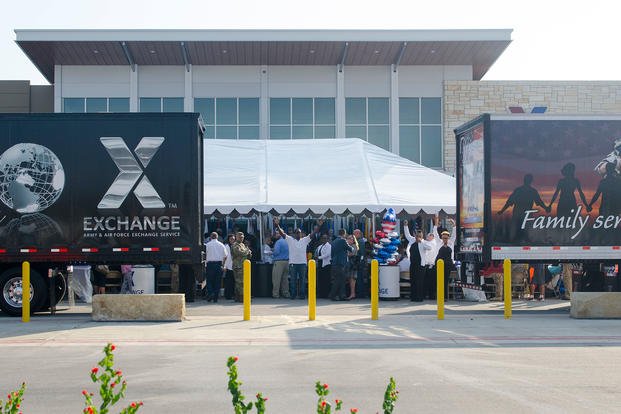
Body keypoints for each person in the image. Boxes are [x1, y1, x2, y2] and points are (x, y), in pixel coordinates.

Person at [274, 217, 322, 300]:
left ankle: (302, 295)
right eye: (296, 233)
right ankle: (293, 295)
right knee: (293, 281)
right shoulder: (290, 240)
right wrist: (277, 225)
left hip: (302, 264)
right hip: (293, 263)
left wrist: (319, 226)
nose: (298, 234)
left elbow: (314, 233)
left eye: (299, 233)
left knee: (302, 281)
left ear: (301, 233)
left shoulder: (305, 240)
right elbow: (282, 233)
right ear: (294, 234)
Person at [497, 174, 550, 241]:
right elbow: (539, 202)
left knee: (521, 231)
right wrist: (546, 208)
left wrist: (502, 210)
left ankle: (520, 240)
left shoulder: (520, 190)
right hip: (523, 214)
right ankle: (520, 240)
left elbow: (509, 202)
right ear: (530, 181)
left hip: (521, 214)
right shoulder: (531, 191)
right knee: (522, 230)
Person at [404, 221, 432, 302]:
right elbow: (407, 235)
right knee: (413, 281)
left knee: (420, 282)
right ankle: (413, 297)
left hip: (421, 266)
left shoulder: (424, 242)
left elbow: (429, 248)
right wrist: (405, 226)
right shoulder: (412, 240)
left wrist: (422, 242)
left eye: (420, 236)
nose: (418, 237)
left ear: (422, 236)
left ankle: (419, 297)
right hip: (413, 265)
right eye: (417, 235)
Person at [329, 229, 355, 301]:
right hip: (341, 264)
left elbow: (332, 253)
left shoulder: (333, 241)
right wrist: (353, 247)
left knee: (339, 280)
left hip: (335, 263)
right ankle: (334, 295)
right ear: (344, 233)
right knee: (340, 280)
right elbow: (350, 249)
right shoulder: (343, 241)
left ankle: (340, 295)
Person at [204, 231, 227, 302]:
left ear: (210, 237)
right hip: (219, 264)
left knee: (209, 280)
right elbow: (225, 256)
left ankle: (211, 293)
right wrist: (223, 265)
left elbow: (204, 255)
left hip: (210, 264)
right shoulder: (221, 245)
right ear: (217, 237)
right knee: (217, 281)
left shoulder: (207, 245)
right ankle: (215, 297)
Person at [231, 232, 252, 302]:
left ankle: (238, 297)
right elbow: (239, 253)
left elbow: (248, 254)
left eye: (242, 237)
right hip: (238, 266)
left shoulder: (242, 245)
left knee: (242, 282)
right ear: (236, 237)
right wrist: (247, 251)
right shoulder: (235, 245)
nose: (241, 238)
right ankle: (241, 297)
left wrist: (248, 252)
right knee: (240, 282)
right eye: (240, 237)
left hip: (243, 265)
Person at [434, 230, 455, 299]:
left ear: (448, 238)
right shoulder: (439, 242)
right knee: (439, 281)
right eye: (443, 238)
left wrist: (454, 226)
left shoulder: (451, 243)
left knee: (445, 281)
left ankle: (445, 297)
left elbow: (454, 235)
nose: (444, 239)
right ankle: (438, 296)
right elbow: (435, 234)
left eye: (446, 238)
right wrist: (435, 225)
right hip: (439, 264)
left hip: (448, 264)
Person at [271, 231, 290, 299]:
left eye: (277, 233)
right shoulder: (288, 241)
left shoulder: (278, 242)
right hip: (287, 262)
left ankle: (276, 294)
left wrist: (271, 252)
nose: (276, 235)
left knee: (276, 279)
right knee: (285, 280)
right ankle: (286, 293)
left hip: (279, 262)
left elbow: (276, 252)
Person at [315, 234, 332, 299]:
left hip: (326, 265)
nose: (324, 239)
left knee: (326, 280)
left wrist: (318, 257)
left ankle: (326, 294)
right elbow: (317, 253)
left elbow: (327, 254)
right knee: (320, 280)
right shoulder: (320, 246)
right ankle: (321, 294)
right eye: (323, 238)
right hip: (320, 265)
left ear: (327, 239)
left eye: (325, 238)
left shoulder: (329, 246)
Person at [353, 229, 368, 298]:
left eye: (354, 234)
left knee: (360, 278)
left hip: (360, 262)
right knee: (359, 278)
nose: (354, 236)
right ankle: (361, 292)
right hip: (360, 261)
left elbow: (361, 253)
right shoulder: (359, 241)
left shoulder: (360, 242)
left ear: (358, 234)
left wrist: (360, 262)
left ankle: (361, 293)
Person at [345, 234, 360, 300]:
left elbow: (351, 254)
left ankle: (352, 294)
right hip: (350, 265)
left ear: (354, 240)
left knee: (352, 280)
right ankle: (351, 294)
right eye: (348, 238)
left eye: (350, 238)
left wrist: (345, 253)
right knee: (350, 279)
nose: (348, 240)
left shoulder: (354, 246)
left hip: (353, 265)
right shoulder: (349, 246)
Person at [223, 234, 235, 300]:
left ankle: (232, 294)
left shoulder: (235, 246)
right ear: (228, 240)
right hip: (228, 267)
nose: (232, 240)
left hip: (234, 267)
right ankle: (227, 295)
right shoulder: (226, 246)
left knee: (233, 282)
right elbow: (225, 257)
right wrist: (224, 266)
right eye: (231, 239)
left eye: (233, 239)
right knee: (228, 282)